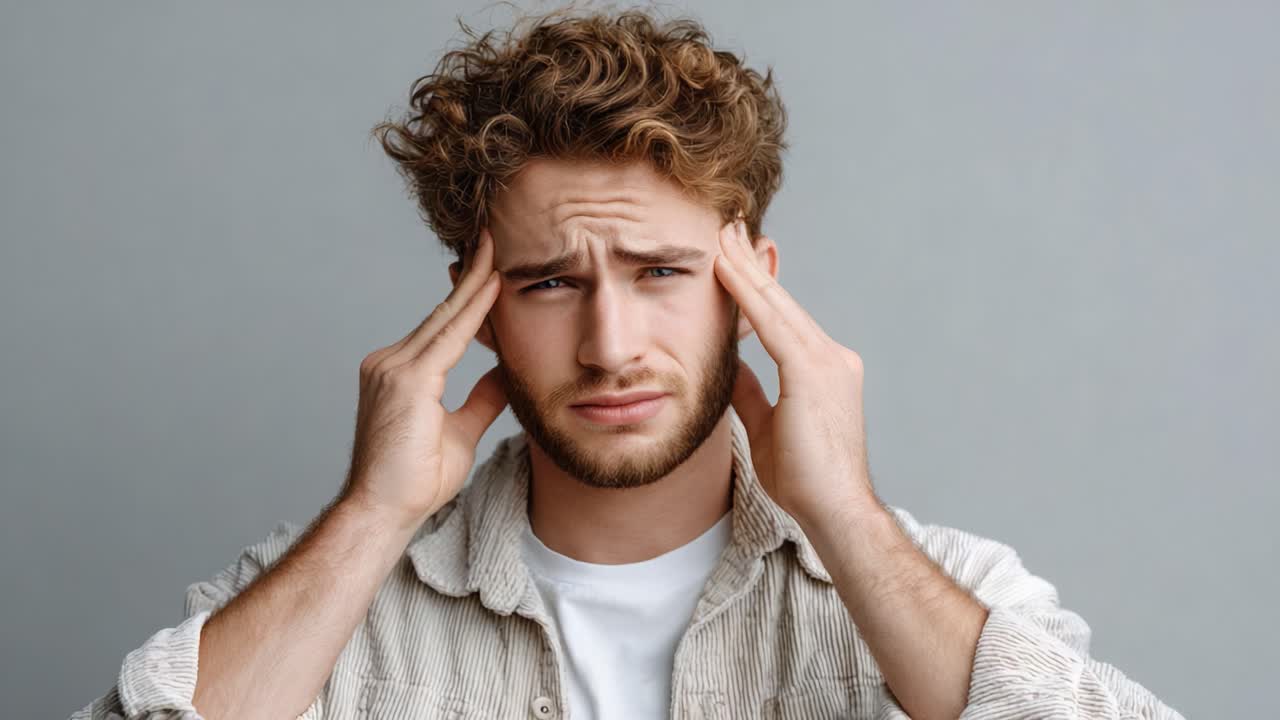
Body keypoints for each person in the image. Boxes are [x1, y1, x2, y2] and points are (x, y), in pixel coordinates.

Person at [72, 6, 1186, 720]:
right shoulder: (324, 597)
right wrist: (372, 515)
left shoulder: (951, 591)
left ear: (752, 288)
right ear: (474, 308)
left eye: (661, 272)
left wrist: (841, 511)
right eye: (549, 283)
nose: (609, 349)